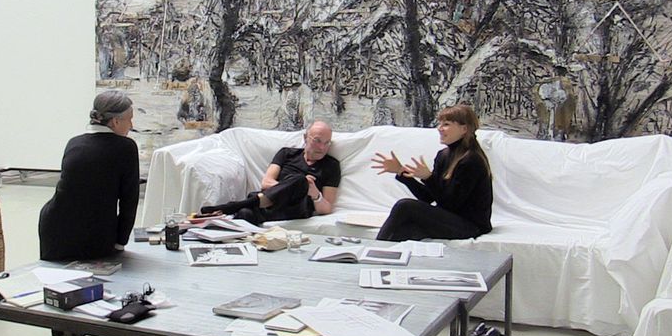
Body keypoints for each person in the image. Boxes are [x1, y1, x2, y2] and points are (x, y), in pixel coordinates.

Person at [37, 90, 140, 261]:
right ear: (115, 121)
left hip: (55, 228)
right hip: (95, 234)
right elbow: (129, 199)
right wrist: (121, 241)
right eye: (130, 119)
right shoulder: (126, 147)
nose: (131, 124)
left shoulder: (74, 143)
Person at [370, 104, 492, 241]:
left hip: (471, 226)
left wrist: (428, 178)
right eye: (440, 124)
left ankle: (373, 251)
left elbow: (451, 204)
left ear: (464, 129)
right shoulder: (443, 155)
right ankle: (377, 257)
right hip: (451, 218)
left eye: (446, 124)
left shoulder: (471, 160)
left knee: (404, 206)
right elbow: (427, 198)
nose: (439, 128)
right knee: (404, 231)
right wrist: (401, 172)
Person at [200, 120, 341, 225]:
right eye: (317, 141)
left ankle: (235, 205)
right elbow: (266, 182)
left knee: (301, 181)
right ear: (305, 138)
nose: (322, 147)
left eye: (327, 143)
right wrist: (287, 189)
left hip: (297, 207)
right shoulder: (286, 153)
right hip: (270, 206)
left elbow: (327, 208)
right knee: (245, 214)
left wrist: (315, 194)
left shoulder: (332, 165)